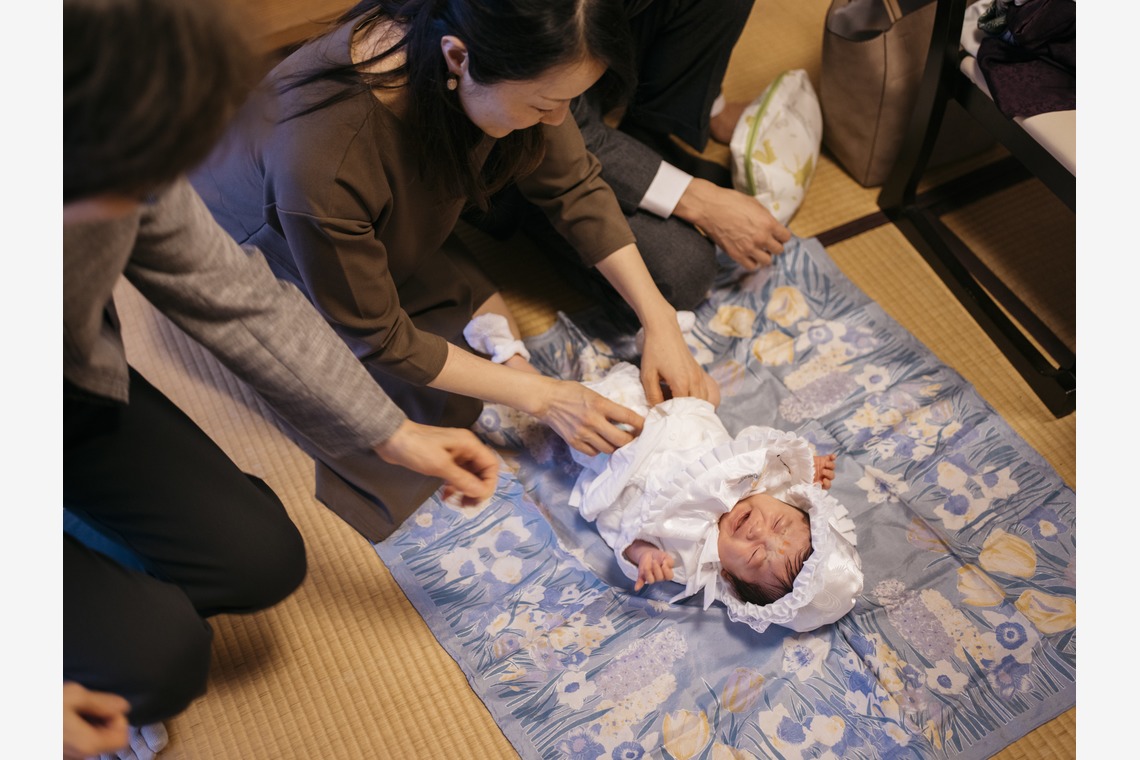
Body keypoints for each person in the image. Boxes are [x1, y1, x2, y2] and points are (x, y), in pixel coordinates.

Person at [62, 0, 499, 757]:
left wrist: (391, 432)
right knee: (159, 664)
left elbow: (238, 299)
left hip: (68, 383)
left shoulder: (114, 113)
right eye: (135, 186)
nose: (153, 197)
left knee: (263, 558)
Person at [192, 0, 720, 542]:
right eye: (545, 104)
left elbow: (572, 183)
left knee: (483, 332)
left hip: (369, 213)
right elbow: (379, 336)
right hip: (265, 248)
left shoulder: (501, 50)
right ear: (459, 59)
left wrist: (660, 320)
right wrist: (547, 397)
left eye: (568, 101)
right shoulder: (325, 159)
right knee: (432, 411)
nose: (560, 119)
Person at [469, 0, 794, 309]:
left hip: (567, 90)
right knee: (683, 269)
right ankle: (532, 205)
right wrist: (698, 200)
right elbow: (567, 153)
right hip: (522, 134)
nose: (557, 118)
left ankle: (652, 138)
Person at [568, 362, 864, 633]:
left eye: (755, 555)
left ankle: (529, 371)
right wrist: (807, 466)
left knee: (589, 414)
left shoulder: (693, 559)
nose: (757, 531)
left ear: (729, 577)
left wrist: (645, 555)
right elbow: (771, 448)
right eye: (778, 524)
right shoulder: (764, 482)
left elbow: (631, 538)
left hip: (621, 452)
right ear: (790, 503)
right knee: (706, 388)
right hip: (681, 412)